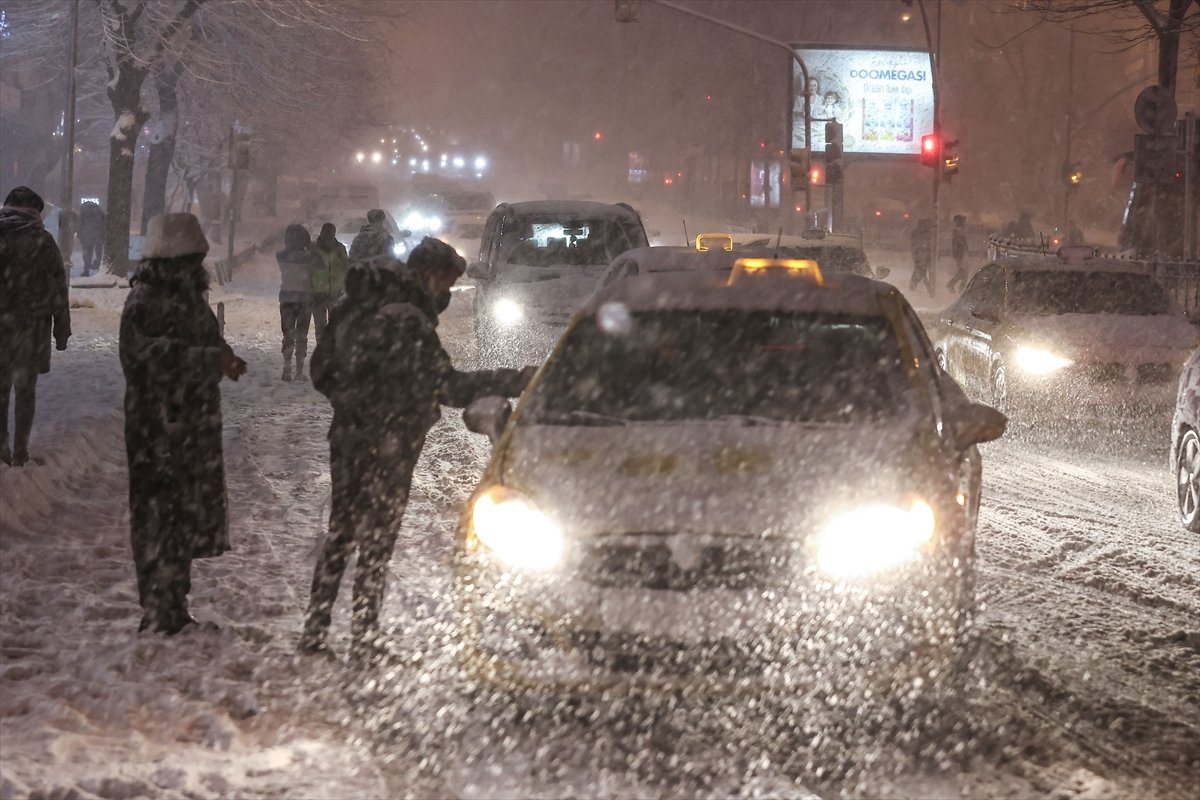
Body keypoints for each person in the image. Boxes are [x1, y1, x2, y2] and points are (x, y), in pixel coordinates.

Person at [298, 237, 532, 665]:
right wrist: (519, 380)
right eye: (444, 283)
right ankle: (364, 638)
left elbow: (321, 370)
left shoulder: (361, 304)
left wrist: (355, 404)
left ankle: (315, 631)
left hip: (350, 435)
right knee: (377, 542)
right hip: (391, 443)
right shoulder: (407, 318)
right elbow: (450, 387)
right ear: (429, 275)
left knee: (342, 532)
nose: (444, 294)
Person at [119, 213, 247, 634]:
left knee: (182, 514)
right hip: (159, 425)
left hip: (191, 422)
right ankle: (157, 608)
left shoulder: (188, 297)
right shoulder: (145, 301)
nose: (197, 267)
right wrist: (209, 361)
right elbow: (147, 359)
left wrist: (222, 356)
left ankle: (174, 603)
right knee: (159, 515)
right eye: (190, 259)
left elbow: (204, 340)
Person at [0, 187, 71, 467]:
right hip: (31, 330)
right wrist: (61, 330)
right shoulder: (43, 242)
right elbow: (58, 290)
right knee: (25, 391)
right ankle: (20, 452)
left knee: (0, 390)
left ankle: (1, 445)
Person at [276, 224, 318, 381]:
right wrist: (311, 247)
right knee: (302, 334)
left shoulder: (281, 255)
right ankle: (299, 371)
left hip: (287, 298)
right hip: (304, 299)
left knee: (288, 334)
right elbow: (319, 265)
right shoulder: (309, 257)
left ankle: (286, 367)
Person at [311, 222, 349, 342]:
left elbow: (346, 268)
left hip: (332, 292)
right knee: (323, 325)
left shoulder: (339, 248)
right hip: (321, 293)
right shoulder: (315, 249)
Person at [77, 201, 106, 276]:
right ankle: (98, 267)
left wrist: (79, 234)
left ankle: (86, 269)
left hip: (86, 235)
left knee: (87, 252)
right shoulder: (99, 211)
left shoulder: (83, 212)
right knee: (98, 252)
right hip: (98, 234)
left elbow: (79, 224)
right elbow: (104, 223)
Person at [909, 218, 935, 297]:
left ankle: (914, 285)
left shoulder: (921, 232)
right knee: (921, 271)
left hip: (921, 254)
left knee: (919, 270)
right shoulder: (921, 233)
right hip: (921, 254)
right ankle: (928, 288)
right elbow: (919, 244)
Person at [947, 214, 969, 294]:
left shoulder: (959, 230)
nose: (964, 223)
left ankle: (959, 288)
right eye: (962, 221)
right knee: (964, 272)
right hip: (960, 254)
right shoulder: (957, 231)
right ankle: (955, 286)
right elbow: (959, 242)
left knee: (964, 272)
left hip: (961, 253)